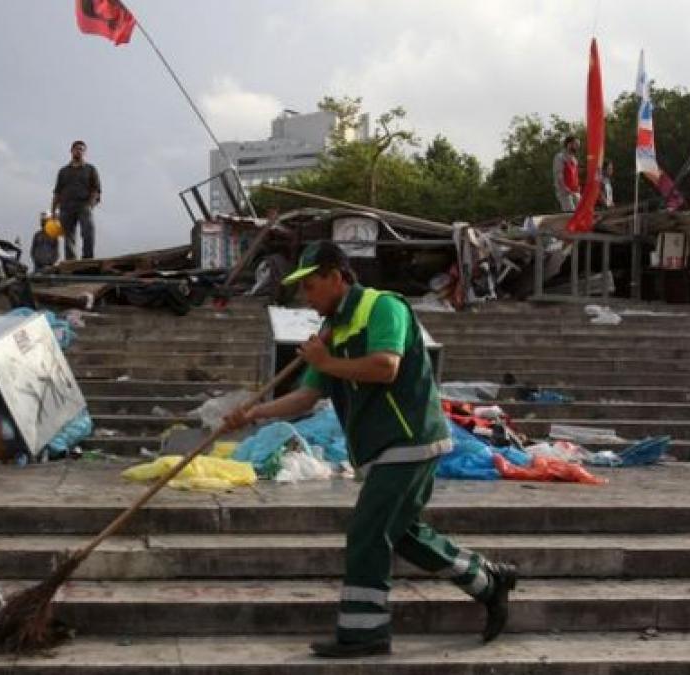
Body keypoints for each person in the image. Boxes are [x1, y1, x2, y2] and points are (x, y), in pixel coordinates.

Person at [223, 241, 517, 659]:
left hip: (410, 438)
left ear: (335, 275)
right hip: (380, 447)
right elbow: (306, 396)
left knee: (367, 531)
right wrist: (251, 414)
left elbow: (386, 366)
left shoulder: (383, 308)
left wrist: (326, 363)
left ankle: (365, 632)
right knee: (403, 534)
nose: (306, 297)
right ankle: (489, 583)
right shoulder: (332, 332)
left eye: (310, 286)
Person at [51, 140, 100, 260]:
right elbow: (57, 191)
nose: (79, 151)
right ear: (71, 151)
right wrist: (53, 211)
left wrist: (90, 205)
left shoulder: (90, 169)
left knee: (88, 231)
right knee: (68, 237)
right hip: (66, 207)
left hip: (83, 205)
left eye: (81, 149)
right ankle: (70, 261)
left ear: (84, 152)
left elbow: (96, 189)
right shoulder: (63, 171)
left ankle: (88, 258)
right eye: (76, 149)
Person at [552, 135, 580, 212]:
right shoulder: (560, 157)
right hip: (565, 191)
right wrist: (564, 187)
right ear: (569, 144)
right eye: (576, 144)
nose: (578, 146)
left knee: (580, 211)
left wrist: (578, 187)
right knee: (570, 213)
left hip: (575, 190)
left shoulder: (574, 159)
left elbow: (575, 175)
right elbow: (559, 174)